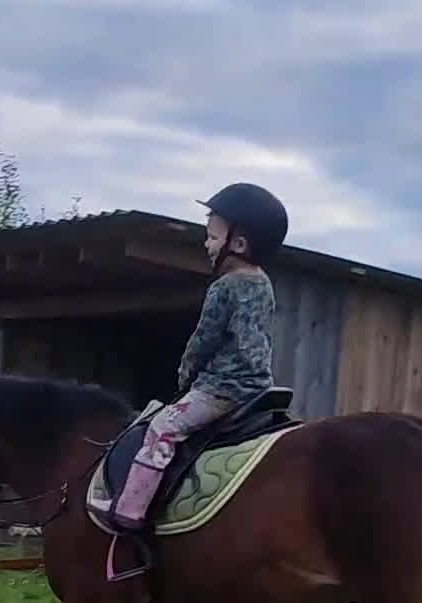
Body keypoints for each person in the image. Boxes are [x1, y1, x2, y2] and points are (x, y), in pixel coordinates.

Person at [110, 182, 288, 532]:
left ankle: (130, 509)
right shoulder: (264, 284)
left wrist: (186, 373)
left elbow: (204, 340)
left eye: (212, 237)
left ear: (238, 244)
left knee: (163, 427)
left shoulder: (224, 287)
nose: (207, 244)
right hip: (259, 388)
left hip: (221, 390)